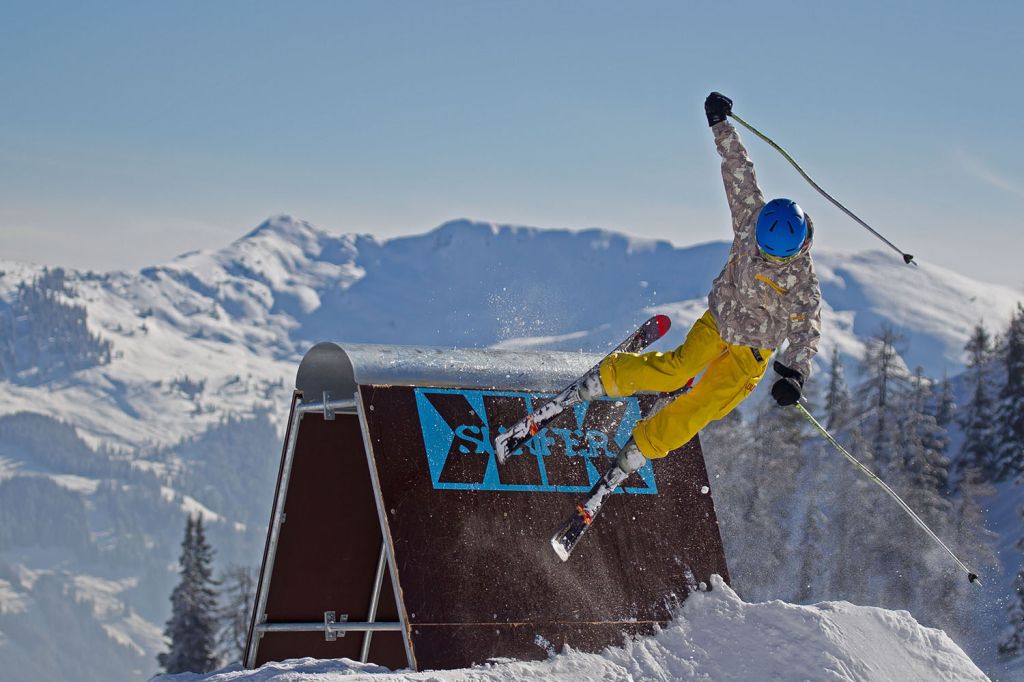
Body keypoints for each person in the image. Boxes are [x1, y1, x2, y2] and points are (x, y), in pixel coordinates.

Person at [580, 91, 822, 475]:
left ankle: (644, 445)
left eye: (777, 258)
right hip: (720, 321)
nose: (767, 260)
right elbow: (739, 171)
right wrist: (720, 124)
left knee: (704, 402)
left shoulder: (802, 282)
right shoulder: (750, 218)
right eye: (763, 250)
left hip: (752, 353)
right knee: (679, 368)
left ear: (800, 247)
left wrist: (793, 374)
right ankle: (607, 378)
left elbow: (806, 330)